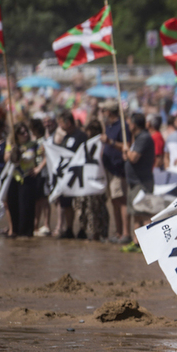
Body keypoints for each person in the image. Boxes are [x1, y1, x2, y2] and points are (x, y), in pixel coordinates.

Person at [120, 113, 156, 253]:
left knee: (145, 213)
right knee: (136, 213)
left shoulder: (144, 138)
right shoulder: (138, 138)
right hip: (134, 181)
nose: (128, 126)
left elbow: (134, 157)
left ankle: (148, 244)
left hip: (142, 181)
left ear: (134, 124)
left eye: (130, 123)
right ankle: (137, 242)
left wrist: (127, 151)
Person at [72, 119, 110, 241]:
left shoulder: (101, 145)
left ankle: (96, 233)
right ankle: (90, 232)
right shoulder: (86, 145)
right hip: (90, 181)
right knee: (89, 208)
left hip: (96, 181)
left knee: (95, 209)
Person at [99, 101, 131, 245]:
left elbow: (126, 146)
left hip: (118, 169)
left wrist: (111, 142)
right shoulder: (108, 126)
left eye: (103, 111)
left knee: (121, 200)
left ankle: (125, 232)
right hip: (108, 168)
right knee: (114, 201)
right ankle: (118, 232)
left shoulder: (122, 127)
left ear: (109, 112)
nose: (102, 113)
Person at [5, 122, 43, 238]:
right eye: (22, 133)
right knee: (13, 205)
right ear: (16, 135)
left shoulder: (34, 144)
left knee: (26, 208)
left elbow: (46, 157)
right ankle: (14, 231)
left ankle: (26, 233)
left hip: (28, 179)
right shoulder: (11, 144)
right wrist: (14, 151)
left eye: (26, 131)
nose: (25, 134)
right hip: (14, 178)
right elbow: (6, 158)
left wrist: (37, 169)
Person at [53, 110, 88, 239]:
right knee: (66, 204)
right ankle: (69, 228)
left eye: (61, 124)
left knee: (80, 204)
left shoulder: (81, 136)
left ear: (68, 122)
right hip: (66, 177)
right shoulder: (65, 137)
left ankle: (83, 228)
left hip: (78, 177)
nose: (60, 127)